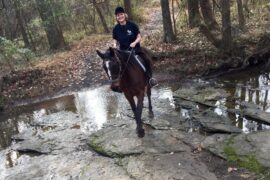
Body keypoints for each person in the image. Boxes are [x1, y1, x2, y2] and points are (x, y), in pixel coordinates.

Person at [112, 6, 157, 87]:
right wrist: (114, 45)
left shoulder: (132, 25)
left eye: (121, 14)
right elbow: (115, 39)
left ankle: (150, 79)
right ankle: (119, 84)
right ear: (116, 17)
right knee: (116, 65)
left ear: (124, 15)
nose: (120, 16)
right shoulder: (115, 29)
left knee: (146, 59)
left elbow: (139, 37)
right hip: (123, 52)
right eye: (118, 15)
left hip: (135, 49)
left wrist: (135, 42)